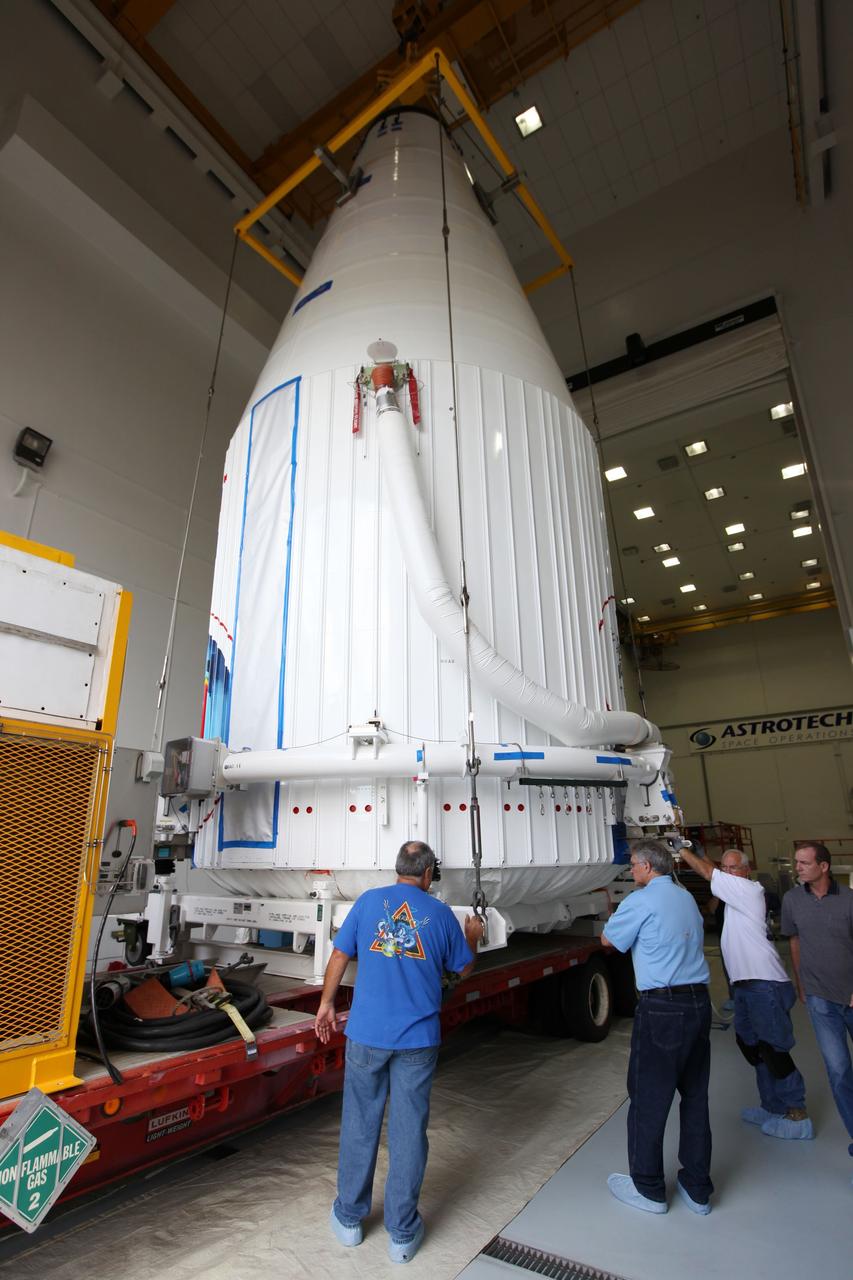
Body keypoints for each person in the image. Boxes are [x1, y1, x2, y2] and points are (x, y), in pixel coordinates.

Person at [315, 840, 484, 1263]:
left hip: (367, 1035)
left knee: (359, 1124)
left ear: (398, 869)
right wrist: (473, 939)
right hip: (417, 1042)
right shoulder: (442, 916)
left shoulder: (370, 903)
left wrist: (326, 1003)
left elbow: (339, 954)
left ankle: (350, 1220)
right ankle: (402, 1234)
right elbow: (462, 968)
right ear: (428, 874)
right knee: (408, 1133)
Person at [602, 839, 713, 1216]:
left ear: (648, 867)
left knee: (649, 1097)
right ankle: (697, 1187)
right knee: (695, 1096)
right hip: (699, 1003)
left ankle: (648, 1188)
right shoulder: (685, 898)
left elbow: (609, 940)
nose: (631, 871)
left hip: (662, 1008)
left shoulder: (641, 900)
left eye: (633, 865)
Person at [678, 844, 812, 1140]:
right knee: (753, 1048)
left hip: (765, 984)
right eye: (724, 868)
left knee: (774, 1049)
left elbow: (706, 873)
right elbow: (711, 874)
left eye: (732, 867)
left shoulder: (749, 890)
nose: (727, 873)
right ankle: (772, 1106)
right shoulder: (733, 897)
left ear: (746, 870)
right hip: (745, 985)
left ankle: (797, 1113)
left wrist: (682, 851)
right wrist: (699, 854)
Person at [781, 842, 853, 1175]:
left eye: (804, 863)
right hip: (820, 998)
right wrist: (801, 983)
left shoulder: (849, 900)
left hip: (851, 995)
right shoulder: (792, 900)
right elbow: (794, 941)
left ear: (823, 866)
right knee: (839, 1071)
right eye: (796, 863)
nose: (798, 868)